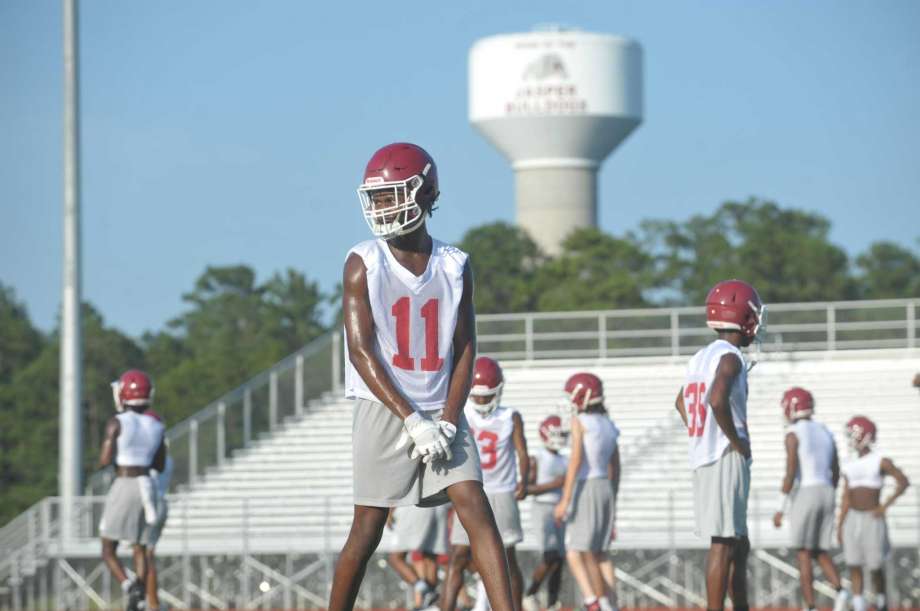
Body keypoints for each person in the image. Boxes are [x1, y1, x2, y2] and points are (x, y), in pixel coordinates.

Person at [330, 142, 515, 611]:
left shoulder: (454, 264)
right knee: (367, 528)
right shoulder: (363, 261)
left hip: (441, 403)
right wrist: (413, 419)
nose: (384, 207)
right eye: (379, 197)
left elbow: (465, 347)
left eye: (394, 195)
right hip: (384, 405)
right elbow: (360, 349)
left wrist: (449, 418)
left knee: (477, 508)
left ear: (426, 192)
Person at [675, 279, 764, 611]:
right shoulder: (730, 357)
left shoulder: (701, 356)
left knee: (738, 543)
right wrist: (735, 440)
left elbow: (681, 403)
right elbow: (716, 399)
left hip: (705, 454)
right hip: (723, 455)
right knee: (724, 543)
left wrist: (703, 433)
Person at [441, 356, 528, 611]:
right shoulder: (460, 411)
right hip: (469, 489)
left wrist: (525, 478)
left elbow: (522, 451)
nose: (481, 401)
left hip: (501, 491)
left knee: (508, 558)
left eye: (486, 396)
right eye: (477, 396)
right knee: (458, 556)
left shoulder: (510, 416)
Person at [771, 387, 849, 611]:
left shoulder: (793, 433)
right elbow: (836, 467)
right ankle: (841, 592)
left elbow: (791, 471)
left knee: (803, 553)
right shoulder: (824, 430)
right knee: (819, 550)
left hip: (807, 490)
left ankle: (810, 606)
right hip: (827, 490)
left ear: (792, 407)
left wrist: (780, 508)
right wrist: (830, 492)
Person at [98, 369, 166, 611]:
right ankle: (142, 599)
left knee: (108, 548)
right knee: (142, 547)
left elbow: (104, 460)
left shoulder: (117, 422)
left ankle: (130, 586)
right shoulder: (156, 424)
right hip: (148, 486)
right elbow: (159, 464)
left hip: (125, 483)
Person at [553, 373, 620, 611]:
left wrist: (565, 499)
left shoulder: (580, 421)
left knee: (580, 550)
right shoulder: (608, 423)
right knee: (601, 553)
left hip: (586, 485)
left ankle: (597, 602)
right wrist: (613, 497)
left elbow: (576, 461)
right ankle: (611, 603)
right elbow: (616, 466)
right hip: (605, 487)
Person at [838, 416, 910, 611]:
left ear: (865, 435)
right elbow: (846, 496)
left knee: (875, 565)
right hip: (853, 517)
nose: (851, 439)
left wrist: (884, 506)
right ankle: (859, 604)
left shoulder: (880, 461)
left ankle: (881, 601)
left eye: (854, 434)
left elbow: (903, 481)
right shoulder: (849, 462)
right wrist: (840, 524)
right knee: (853, 562)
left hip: (872, 516)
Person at [522, 416, 569, 611]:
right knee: (550, 556)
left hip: (560, 510)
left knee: (559, 559)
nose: (560, 437)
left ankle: (552, 603)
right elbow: (527, 488)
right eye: (555, 433)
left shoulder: (565, 458)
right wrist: (554, 484)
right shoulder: (538, 458)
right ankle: (530, 593)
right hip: (542, 508)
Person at [141, 409, 174, 611]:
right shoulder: (164, 454)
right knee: (146, 555)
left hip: (151, 503)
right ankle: (150, 600)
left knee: (146, 556)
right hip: (160, 502)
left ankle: (152, 603)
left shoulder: (150, 455)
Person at [386, 505, 442, 609]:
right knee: (429, 556)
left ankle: (425, 591)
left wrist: (389, 512)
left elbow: (395, 490)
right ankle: (429, 601)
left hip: (412, 507)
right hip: (434, 507)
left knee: (395, 558)